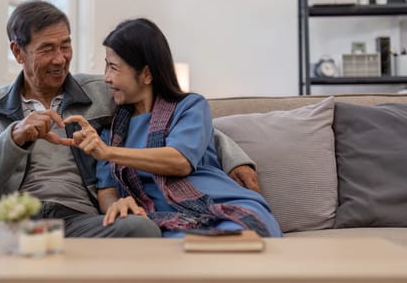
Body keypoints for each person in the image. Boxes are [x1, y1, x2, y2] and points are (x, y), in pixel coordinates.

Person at [0, 0, 259, 259]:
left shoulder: (101, 91)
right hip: (6, 221)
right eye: (47, 48)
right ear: (18, 53)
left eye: (65, 45)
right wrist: (15, 137)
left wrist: (234, 158)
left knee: (142, 231)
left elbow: (169, 113)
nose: (60, 58)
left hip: (79, 219)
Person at [62, 18, 282, 237]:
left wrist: (109, 153)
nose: (106, 78)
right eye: (106, 65)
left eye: (113, 67)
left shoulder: (190, 107)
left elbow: (180, 161)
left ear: (147, 74)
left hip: (224, 206)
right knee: (174, 249)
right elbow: (106, 191)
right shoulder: (110, 134)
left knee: (232, 241)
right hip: (164, 221)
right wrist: (116, 206)